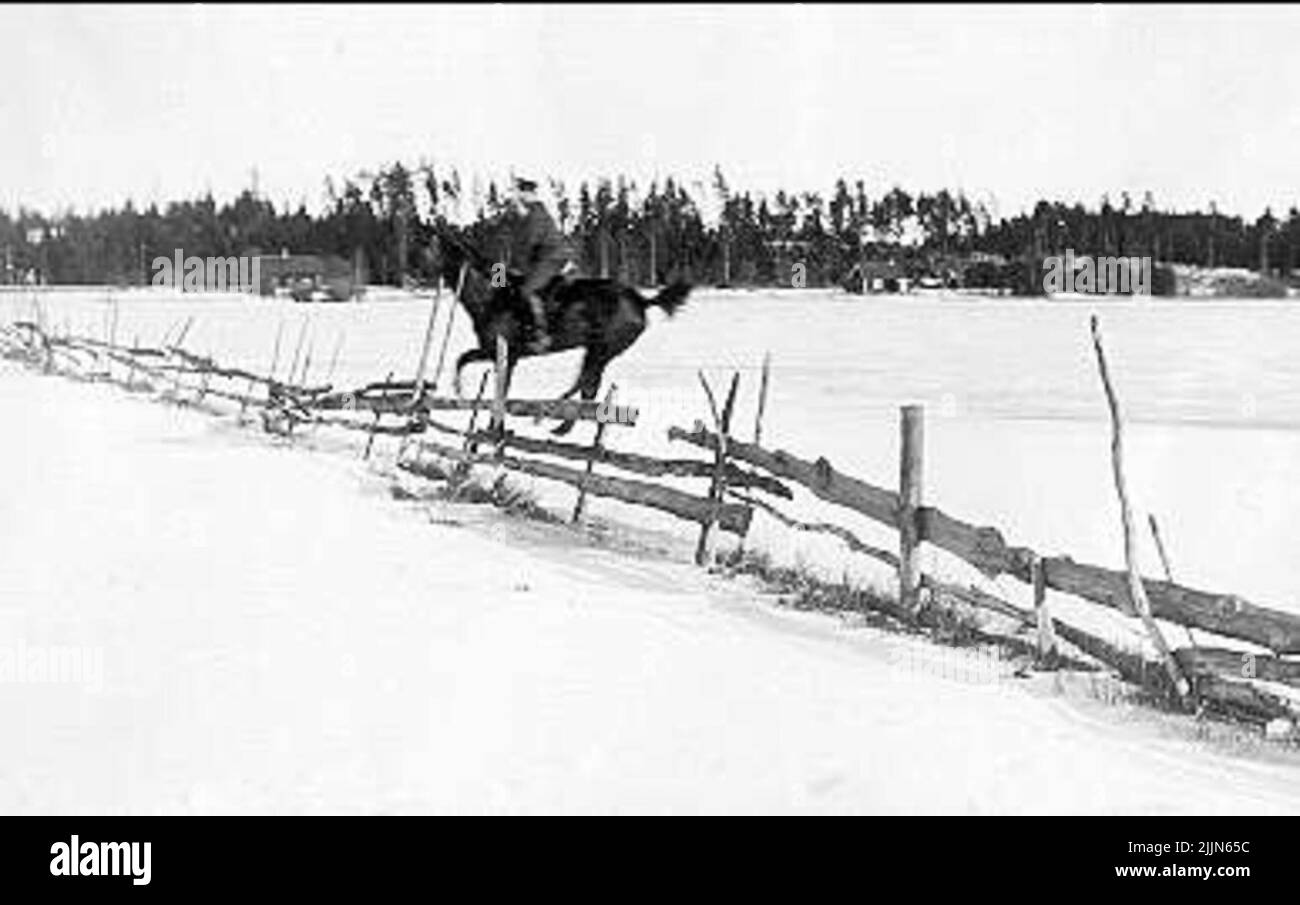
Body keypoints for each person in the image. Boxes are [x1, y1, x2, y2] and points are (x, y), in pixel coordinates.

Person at [510, 177, 568, 352]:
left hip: (551, 258)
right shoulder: (526, 215)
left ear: (529, 194)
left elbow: (527, 245)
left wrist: (514, 269)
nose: (518, 197)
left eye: (520, 193)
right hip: (540, 259)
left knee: (527, 290)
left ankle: (540, 335)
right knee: (509, 287)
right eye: (517, 194)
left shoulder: (536, 215)